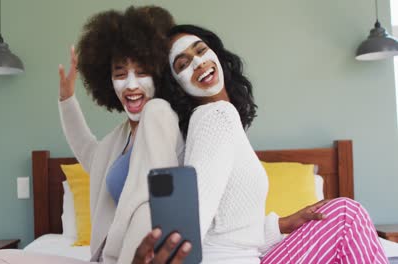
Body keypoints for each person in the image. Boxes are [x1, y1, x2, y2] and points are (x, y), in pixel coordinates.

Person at [138, 24, 388, 263]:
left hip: (244, 255)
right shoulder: (214, 116)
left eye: (201, 50)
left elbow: (226, 227)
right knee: (346, 214)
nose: (197, 62)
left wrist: (281, 224)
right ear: (177, 84)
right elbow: (196, 215)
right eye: (182, 64)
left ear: (215, 52)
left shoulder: (218, 119)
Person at [0, 6, 191, 264]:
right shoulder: (118, 139)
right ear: (107, 82)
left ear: (159, 75)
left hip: (136, 256)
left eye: (141, 72)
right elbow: (86, 150)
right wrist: (67, 99)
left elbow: (154, 200)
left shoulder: (160, 114)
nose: (131, 85)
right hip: (103, 259)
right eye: (119, 74)